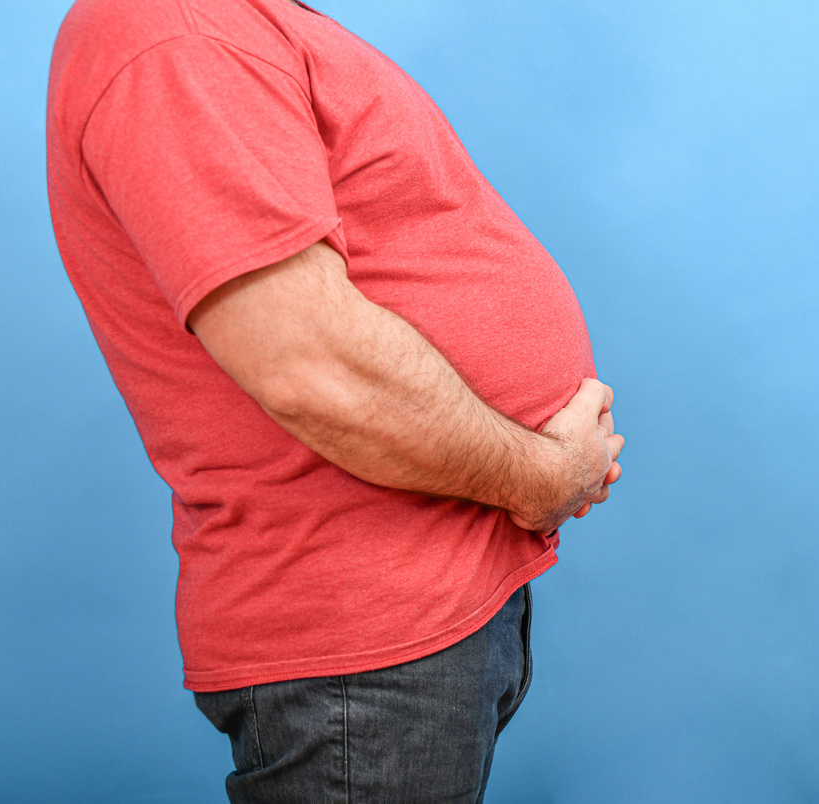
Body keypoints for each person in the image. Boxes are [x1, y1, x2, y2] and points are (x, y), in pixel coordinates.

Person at [46, 0, 624, 800]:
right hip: (362, 644)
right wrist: (544, 478)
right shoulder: (175, 31)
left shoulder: (245, 23)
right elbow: (311, 368)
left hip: (418, 615)